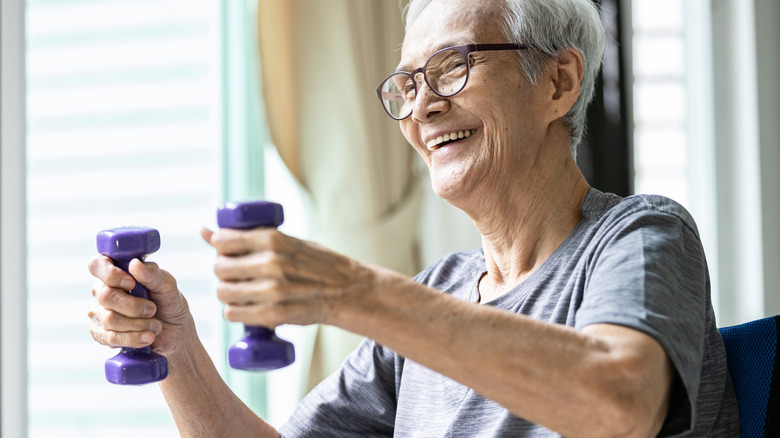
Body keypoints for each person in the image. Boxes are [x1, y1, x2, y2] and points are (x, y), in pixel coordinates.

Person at [88, 0, 738, 436]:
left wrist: (350, 291)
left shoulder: (641, 235)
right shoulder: (435, 296)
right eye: (406, 85)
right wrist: (177, 353)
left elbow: (621, 403)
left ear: (558, 83)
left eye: (453, 67)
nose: (421, 108)